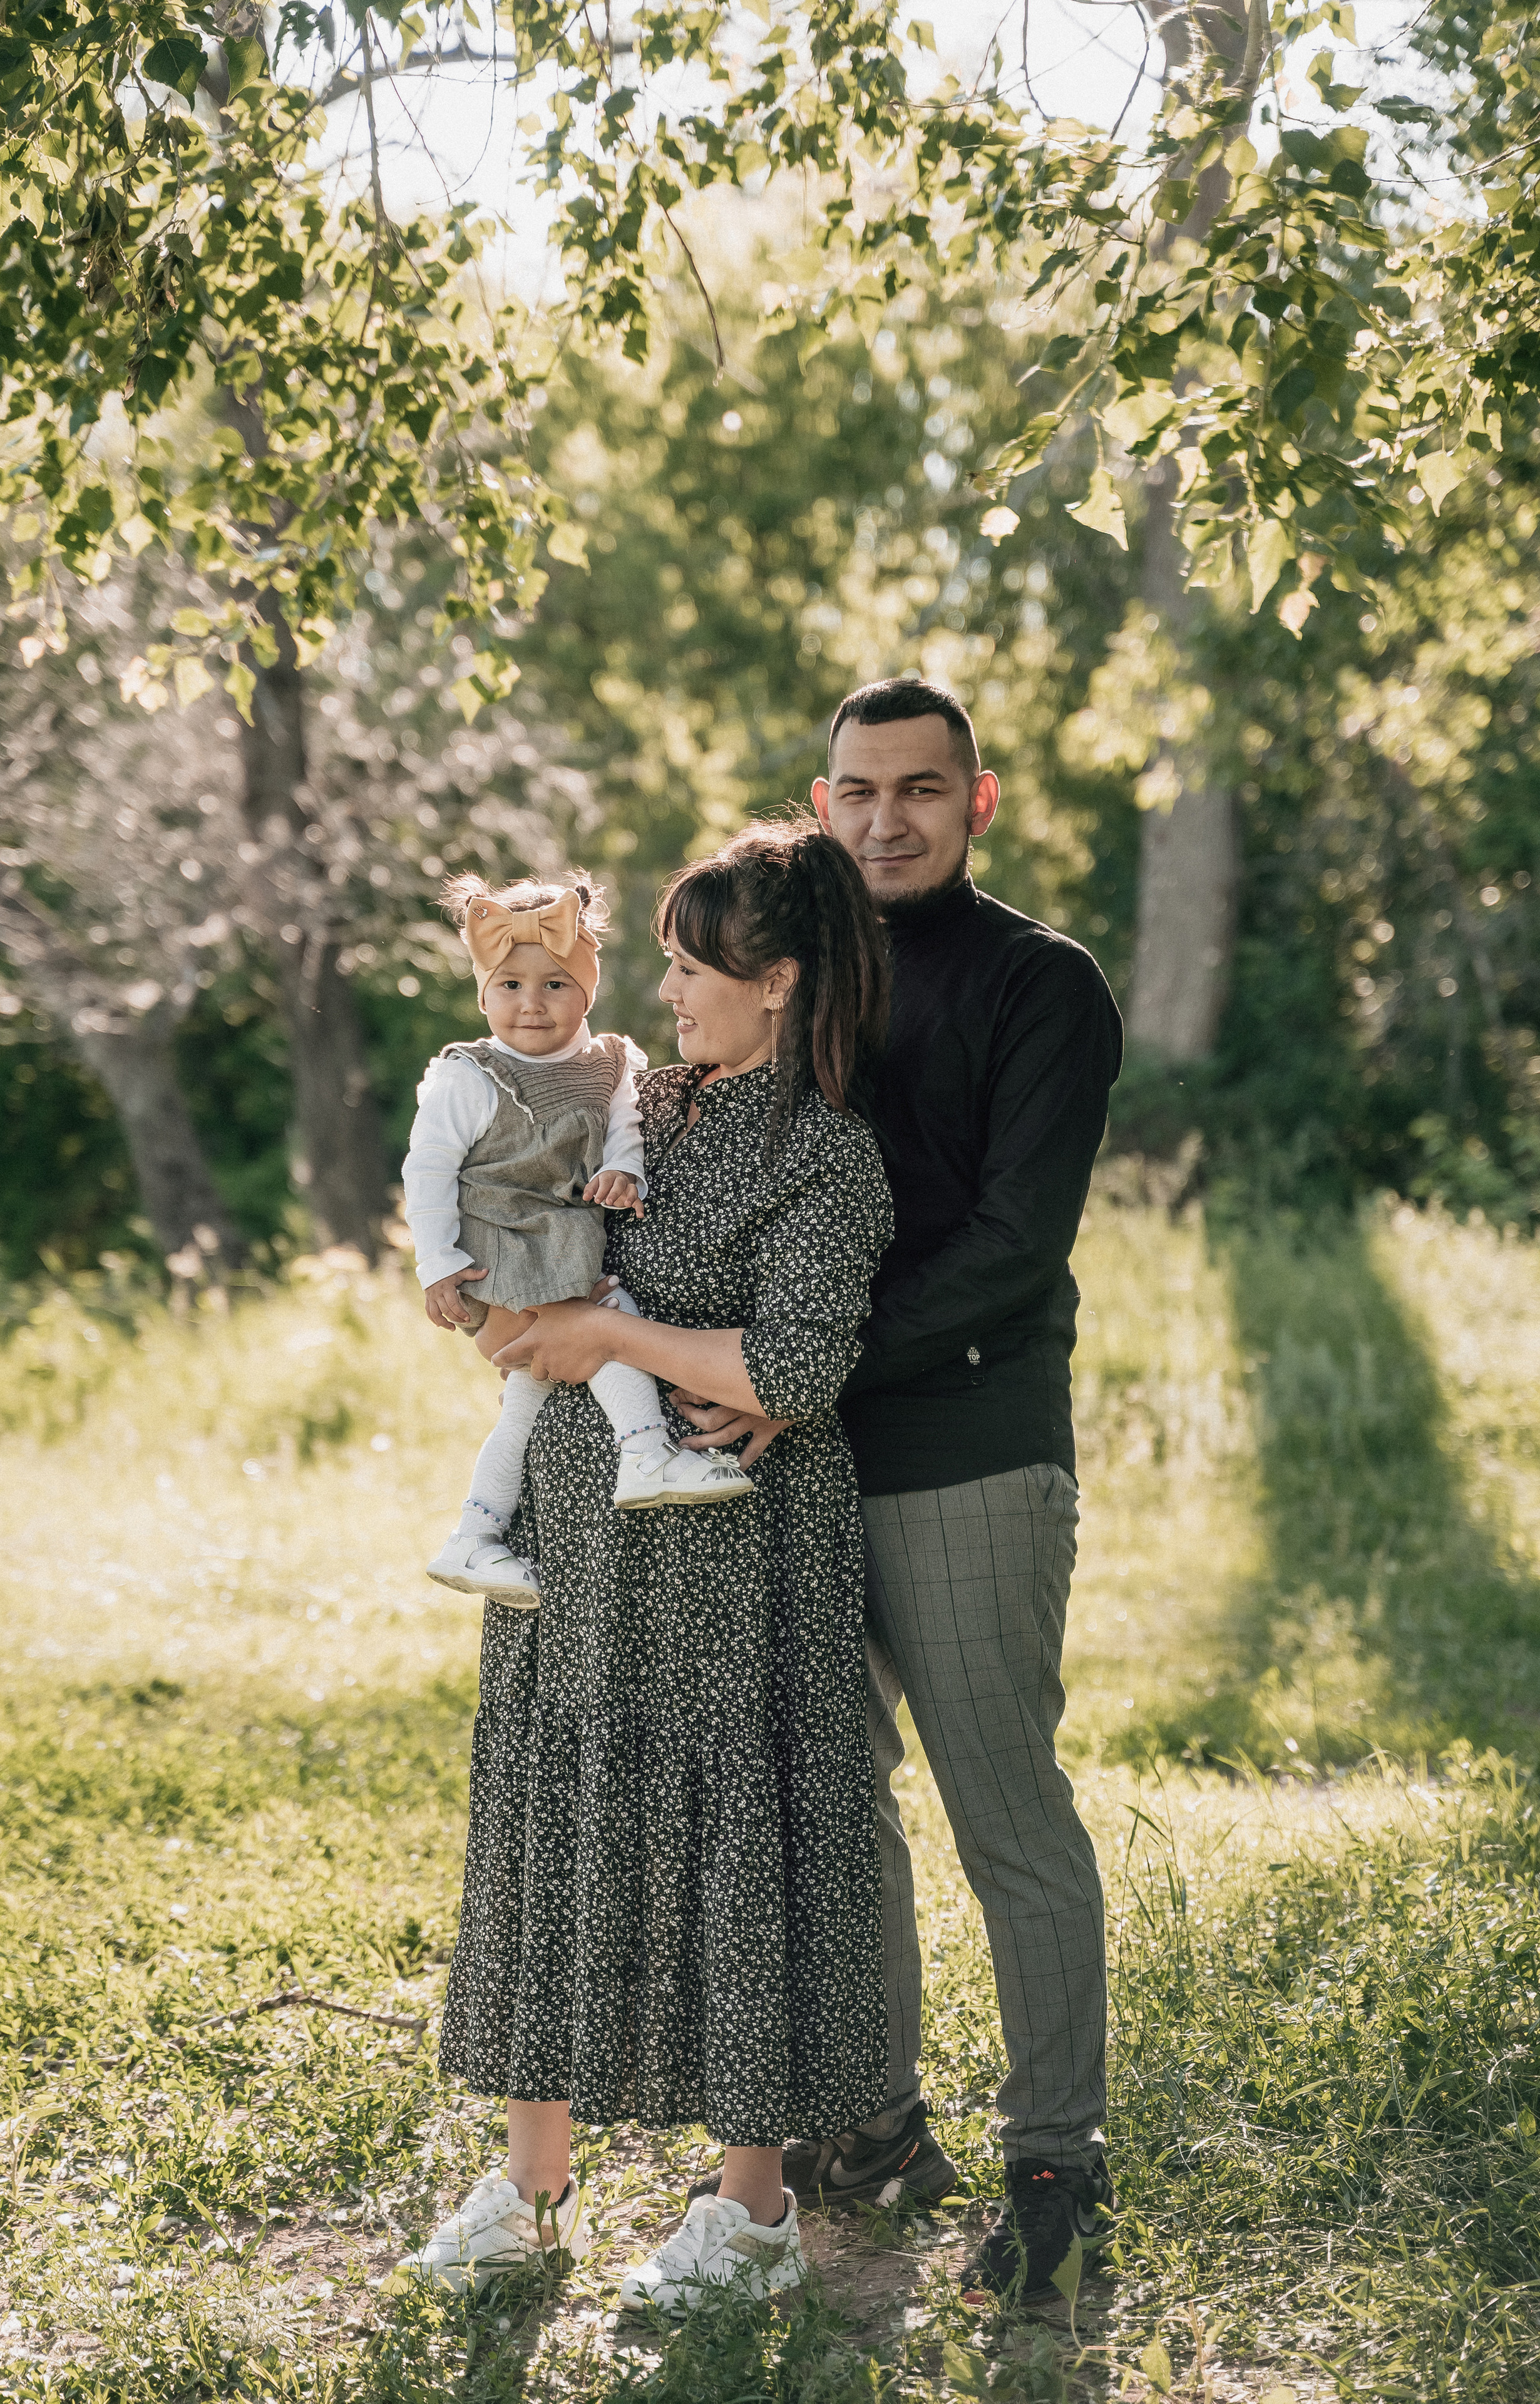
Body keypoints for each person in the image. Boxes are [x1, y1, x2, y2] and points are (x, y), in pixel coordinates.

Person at [399, 821, 896, 2314]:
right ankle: (531, 2182)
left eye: (692, 967)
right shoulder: (636, 1101)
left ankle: (750, 2211)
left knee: (738, 1849)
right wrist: (481, 1285)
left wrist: (609, 1333)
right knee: (552, 1822)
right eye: (665, 962)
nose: (664, 990)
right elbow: (504, 1225)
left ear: (779, 981)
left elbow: (791, 1365)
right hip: (573, 1543)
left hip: (734, 1562)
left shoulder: (822, 1151)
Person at [678, 678, 1123, 2304]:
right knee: (831, 1804)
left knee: (1004, 1813)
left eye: (921, 790)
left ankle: (1055, 2166)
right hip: (790, 1457)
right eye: (858, 793)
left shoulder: (1039, 983)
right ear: (821, 803)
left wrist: (791, 1373)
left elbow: (1013, 1249)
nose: (887, 820)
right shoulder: (792, 967)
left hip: (967, 1450)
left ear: (976, 801)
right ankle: (873, 2129)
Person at [403, 872, 752, 1611]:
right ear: (484, 996)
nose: (531, 1003)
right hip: (501, 1249)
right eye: (510, 985)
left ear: (586, 992)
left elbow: (625, 1128)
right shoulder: (471, 1076)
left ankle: (474, 1535)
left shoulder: (610, 1065)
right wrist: (437, 1264)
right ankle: (646, 1453)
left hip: (563, 1242)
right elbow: (427, 1171)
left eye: (555, 984)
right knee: (610, 1317)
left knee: (525, 1402)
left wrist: (625, 1171)